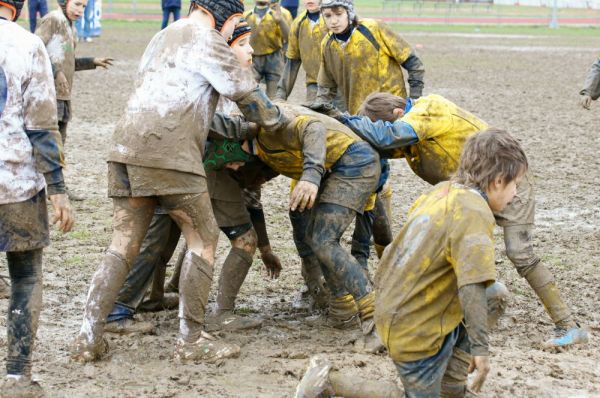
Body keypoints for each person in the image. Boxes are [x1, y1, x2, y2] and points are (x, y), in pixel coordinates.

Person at [69, 0, 289, 364]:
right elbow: (248, 96)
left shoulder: (162, 35)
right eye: (234, 22)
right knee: (203, 239)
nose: (234, 30)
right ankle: (190, 340)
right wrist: (274, 119)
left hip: (124, 149)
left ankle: (87, 338)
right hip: (170, 154)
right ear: (228, 17)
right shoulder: (208, 38)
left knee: (122, 245)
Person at [341, 92, 590, 348]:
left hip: (505, 182)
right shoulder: (407, 139)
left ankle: (568, 324)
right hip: (471, 195)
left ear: (396, 114)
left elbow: (387, 136)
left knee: (520, 252)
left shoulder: (429, 109)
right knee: (444, 246)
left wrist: (343, 118)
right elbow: (379, 149)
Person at [211, 102, 384, 351]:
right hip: (335, 169)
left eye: (231, 162)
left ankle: (374, 318)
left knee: (323, 238)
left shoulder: (268, 125)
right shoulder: (259, 152)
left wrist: (311, 177)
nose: (234, 168)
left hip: (354, 162)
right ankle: (342, 310)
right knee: (314, 235)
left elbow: (313, 127)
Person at [375, 129, 527, 397]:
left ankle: (452, 386)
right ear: (499, 181)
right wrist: (480, 350)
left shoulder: (442, 191)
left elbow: (390, 252)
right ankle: (334, 381)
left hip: (399, 311)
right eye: (516, 184)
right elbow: (472, 286)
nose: (516, 194)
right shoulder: (474, 211)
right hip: (415, 334)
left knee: (495, 295)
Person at [0, 1, 75, 396]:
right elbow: (42, 124)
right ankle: (16, 375)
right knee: (25, 276)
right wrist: (58, 189)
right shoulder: (27, 45)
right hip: (14, 182)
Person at [35, 0, 113, 200]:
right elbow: (34, 51)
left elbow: (67, 63)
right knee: (49, 144)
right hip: (48, 95)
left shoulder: (71, 27)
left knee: (59, 145)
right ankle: (50, 189)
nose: (80, 10)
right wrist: (55, 72)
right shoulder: (52, 20)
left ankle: (56, 188)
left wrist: (92, 62)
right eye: (77, 4)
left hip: (64, 97)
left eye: (84, 6)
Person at [314, 0, 425, 115]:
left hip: (393, 112)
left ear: (349, 12)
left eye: (339, 14)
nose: (333, 21)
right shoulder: (327, 44)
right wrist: (318, 108)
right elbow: (326, 86)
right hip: (359, 117)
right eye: (327, 16)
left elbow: (414, 63)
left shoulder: (374, 28)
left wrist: (414, 99)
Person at [276, 0, 328, 104]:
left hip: (338, 86)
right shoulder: (298, 23)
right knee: (316, 118)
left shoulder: (334, 21)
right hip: (313, 85)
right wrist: (281, 95)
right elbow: (292, 60)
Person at [244, 0, 293, 98]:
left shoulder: (283, 14)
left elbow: (289, 38)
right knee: (250, 93)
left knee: (274, 95)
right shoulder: (246, 15)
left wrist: (280, 21)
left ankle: (273, 112)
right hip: (252, 58)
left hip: (274, 58)